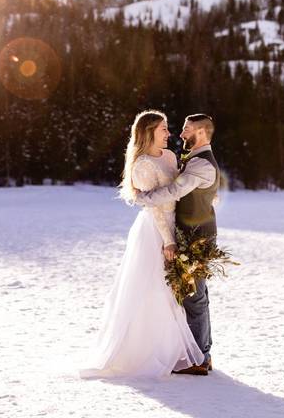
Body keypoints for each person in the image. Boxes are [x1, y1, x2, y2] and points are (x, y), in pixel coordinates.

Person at [79, 110, 203, 378]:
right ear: (148, 133)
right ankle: (155, 353)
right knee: (155, 291)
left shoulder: (169, 156)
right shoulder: (142, 165)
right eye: (163, 129)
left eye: (168, 128)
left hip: (176, 224)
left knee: (173, 292)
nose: (168, 134)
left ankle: (177, 351)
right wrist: (168, 241)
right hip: (156, 231)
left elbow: (179, 190)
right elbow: (154, 205)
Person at [133, 113, 219, 375]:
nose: (180, 134)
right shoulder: (190, 159)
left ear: (202, 133)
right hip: (186, 231)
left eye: (186, 129)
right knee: (194, 296)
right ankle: (200, 352)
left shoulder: (201, 165)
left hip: (195, 234)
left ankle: (200, 357)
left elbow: (174, 191)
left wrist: (143, 198)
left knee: (195, 298)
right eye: (178, 129)